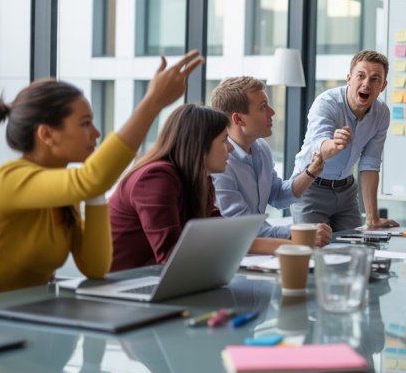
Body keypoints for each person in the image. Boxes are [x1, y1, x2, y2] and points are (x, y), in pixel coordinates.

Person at [0, 51, 203, 299]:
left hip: (19, 319)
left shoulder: (66, 192)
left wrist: (95, 193)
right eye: (85, 123)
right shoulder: (10, 179)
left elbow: (95, 267)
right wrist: (152, 103)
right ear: (46, 134)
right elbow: (90, 179)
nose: (96, 133)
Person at [109, 104, 284, 271]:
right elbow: (171, 255)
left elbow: (229, 235)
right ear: (200, 145)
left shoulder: (201, 179)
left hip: (160, 279)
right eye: (224, 140)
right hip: (124, 284)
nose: (230, 148)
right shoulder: (156, 178)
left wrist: (295, 248)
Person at [209, 76, 331, 246]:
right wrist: (300, 231)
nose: (272, 112)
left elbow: (277, 196)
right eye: (263, 107)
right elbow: (242, 227)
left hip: (256, 250)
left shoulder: (261, 148)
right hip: (231, 251)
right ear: (238, 119)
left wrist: (311, 172)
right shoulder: (220, 163)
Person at [291, 50, 399, 231]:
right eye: (361, 76)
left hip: (347, 192)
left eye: (375, 79)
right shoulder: (327, 103)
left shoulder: (381, 113)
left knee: (354, 251)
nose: (366, 84)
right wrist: (334, 145)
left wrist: (373, 219)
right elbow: (318, 144)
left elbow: (370, 163)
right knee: (313, 252)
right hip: (310, 188)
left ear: (383, 85)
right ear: (349, 78)